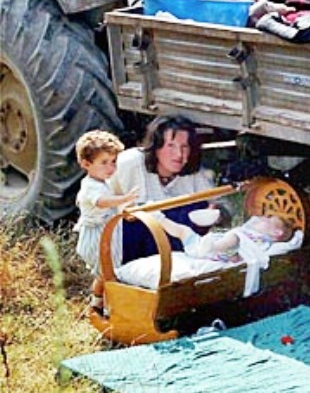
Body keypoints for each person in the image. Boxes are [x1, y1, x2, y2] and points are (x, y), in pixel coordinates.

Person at [109, 115, 232, 264]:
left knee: (197, 207)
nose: (179, 154)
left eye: (184, 147)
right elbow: (99, 203)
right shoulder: (130, 163)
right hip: (131, 242)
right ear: (156, 147)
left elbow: (223, 207)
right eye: (171, 146)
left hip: (174, 244)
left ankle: (181, 261)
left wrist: (217, 213)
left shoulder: (194, 173)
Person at [74, 130, 139, 309]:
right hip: (97, 236)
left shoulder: (103, 182)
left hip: (108, 233)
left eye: (113, 162)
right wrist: (124, 198)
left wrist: (123, 210)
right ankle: (111, 308)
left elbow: (111, 206)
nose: (111, 168)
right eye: (104, 162)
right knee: (108, 272)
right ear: (86, 164)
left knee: (105, 273)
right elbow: (102, 202)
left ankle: (97, 302)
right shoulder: (90, 186)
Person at [158, 212, 294, 261]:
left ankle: (212, 247)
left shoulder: (263, 240)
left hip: (219, 252)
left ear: (277, 233)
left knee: (235, 237)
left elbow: (249, 253)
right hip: (202, 247)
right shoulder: (249, 231)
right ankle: (159, 218)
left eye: (268, 219)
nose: (263, 218)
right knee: (184, 231)